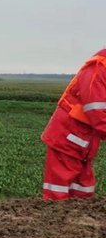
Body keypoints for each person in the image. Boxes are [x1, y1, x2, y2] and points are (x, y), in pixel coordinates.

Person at [41, 48, 106, 200]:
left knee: (83, 189)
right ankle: (54, 220)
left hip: (84, 141)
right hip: (67, 137)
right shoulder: (98, 68)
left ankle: (80, 220)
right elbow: (97, 113)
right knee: (58, 189)